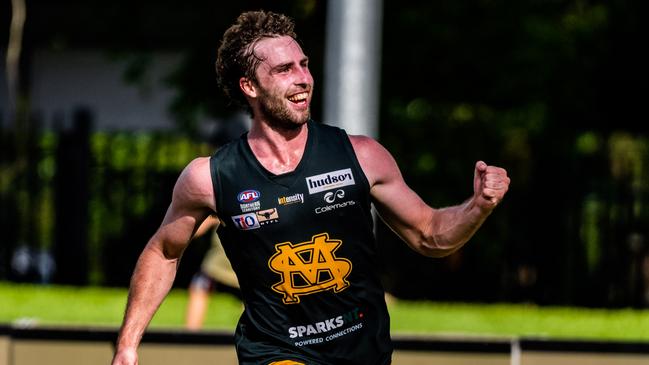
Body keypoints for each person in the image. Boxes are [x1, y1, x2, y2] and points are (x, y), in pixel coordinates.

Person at [111, 10, 510, 365]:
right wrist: (128, 345)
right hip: (276, 352)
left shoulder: (362, 155)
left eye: (304, 64)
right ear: (249, 86)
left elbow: (430, 236)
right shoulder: (210, 177)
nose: (303, 78)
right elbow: (163, 252)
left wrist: (477, 207)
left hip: (362, 350)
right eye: (284, 69)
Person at [185, 215, 240, 330]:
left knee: (199, 288)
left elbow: (194, 231)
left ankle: (191, 334)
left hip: (221, 264)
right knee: (199, 288)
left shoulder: (222, 202)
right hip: (225, 265)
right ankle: (191, 333)